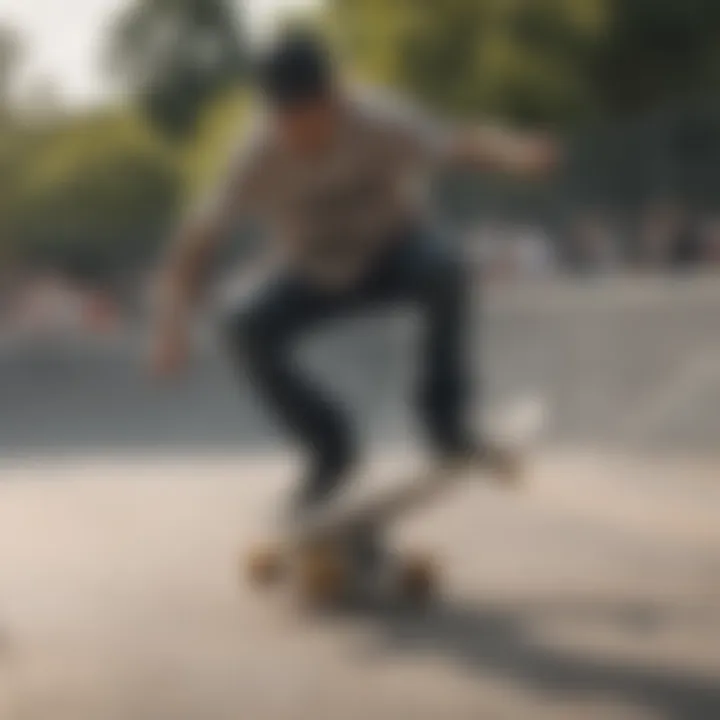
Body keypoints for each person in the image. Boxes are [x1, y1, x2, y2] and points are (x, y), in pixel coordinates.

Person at [150, 32, 559, 555]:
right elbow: (198, 237)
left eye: (313, 117)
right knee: (243, 324)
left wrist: (519, 154)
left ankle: (446, 423)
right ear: (272, 116)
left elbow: (455, 145)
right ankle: (329, 450)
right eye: (289, 123)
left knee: (446, 267)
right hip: (313, 274)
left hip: (394, 256)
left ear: (336, 98)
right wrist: (171, 322)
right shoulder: (256, 153)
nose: (304, 134)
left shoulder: (381, 119)